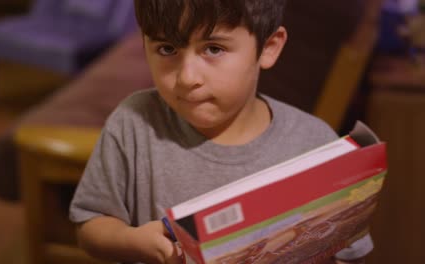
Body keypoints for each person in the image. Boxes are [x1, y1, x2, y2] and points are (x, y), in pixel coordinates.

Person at [69, 1, 373, 263]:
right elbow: (90, 225)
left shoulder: (315, 145)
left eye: (213, 49)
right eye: (167, 48)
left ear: (268, 47)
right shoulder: (133, 123)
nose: (187, 78)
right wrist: (134, 242)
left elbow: (348, 252)